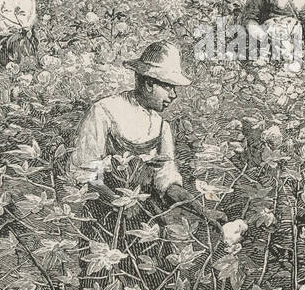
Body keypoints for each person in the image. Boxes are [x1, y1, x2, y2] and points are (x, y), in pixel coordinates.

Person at [70, 41, 224, 229]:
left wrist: (203, 212)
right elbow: (87, 172)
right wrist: (119, 202)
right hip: (105, 220)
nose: (174, 95)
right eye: (169, 87)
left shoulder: (161, 127)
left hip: (148, 223)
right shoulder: (105, 111)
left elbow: (167, 184)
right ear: (149, 83)